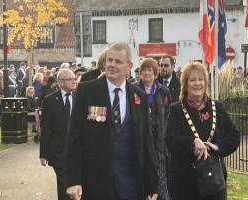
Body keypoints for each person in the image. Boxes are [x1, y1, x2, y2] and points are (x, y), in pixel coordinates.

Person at [65, 42, 158, 200]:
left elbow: (146, 143)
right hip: (95, 184)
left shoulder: (139, 98)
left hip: (130, 185)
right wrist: (73, 180)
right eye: (109, 60)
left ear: (129, 66)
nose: (112, 65)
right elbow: (73, 138)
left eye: (118, 61)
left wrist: (152, 185)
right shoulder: (86, 91)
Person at [165, 61, 240, 200]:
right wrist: (192, 143)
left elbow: (234, 136)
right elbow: (170, 140)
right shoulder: (176, 110)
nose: (197, 83)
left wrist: (217, 146)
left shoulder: (218, 107)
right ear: (186, 84)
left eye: (200, 79)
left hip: (213, 181)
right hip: (185, 183)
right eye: (192, 80)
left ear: (205, 82)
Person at [133, 58, 171, 200]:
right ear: (140, 73)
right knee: (142, 181)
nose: (147, 73)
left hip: (159, 143)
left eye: (150, 70)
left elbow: (168, 115)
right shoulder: (133, 89)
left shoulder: (163, 91)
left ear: (155, 73)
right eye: (144, 70)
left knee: (161, 183)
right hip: (141, 141)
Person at [39, 68, 77, 200]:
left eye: (74, 78)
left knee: (76, 184)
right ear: (60, 83)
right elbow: (46, 129)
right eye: (70, 79)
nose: (74, 81)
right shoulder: (49, 101)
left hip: (78, 151)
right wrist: (43, 153)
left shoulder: (81, 98)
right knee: (64, 183)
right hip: (58, 151)